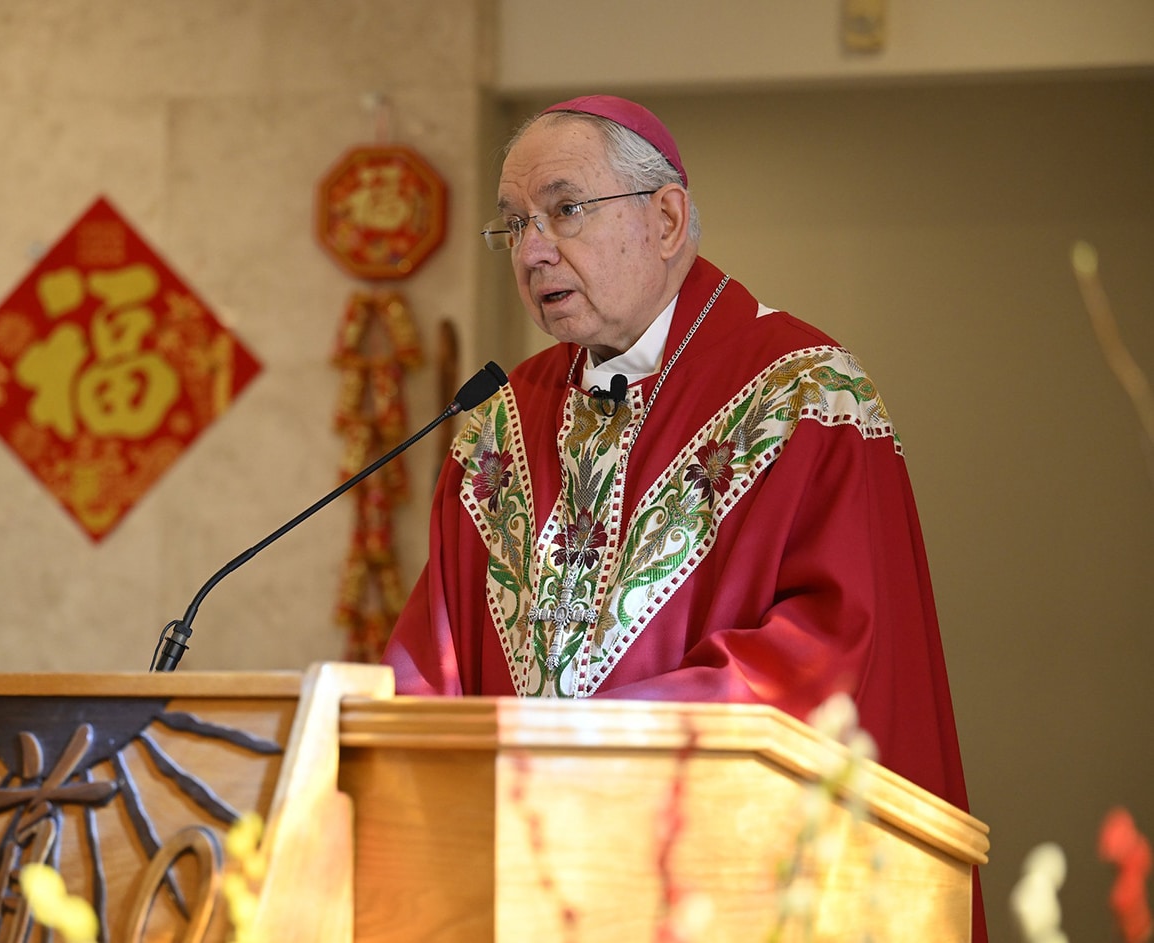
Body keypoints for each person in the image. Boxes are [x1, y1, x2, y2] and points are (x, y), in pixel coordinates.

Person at [381, 94, 986, 939]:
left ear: (665, 217)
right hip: (513, 883)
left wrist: (578, 747)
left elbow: (831, 657)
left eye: (564, 211)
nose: (532, 250)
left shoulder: (805, 394)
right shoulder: (500, 422)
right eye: (513, 224)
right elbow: (431, 659)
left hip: (722, 885)